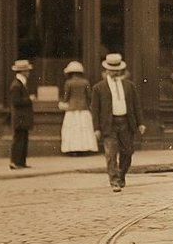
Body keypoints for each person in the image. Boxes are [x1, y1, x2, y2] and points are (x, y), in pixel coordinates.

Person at [91, 53, 146, 193]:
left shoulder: (129, 86)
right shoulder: (99, 88)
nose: (115, 72)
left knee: (127, 152)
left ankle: (121, 175)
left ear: (121, 70)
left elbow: (137, 106)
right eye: (112, 69)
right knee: (111, 153)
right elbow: (95, 109)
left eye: (117, 69)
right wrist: (96, 128)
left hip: (126, 123)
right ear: (106, 70)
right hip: (109, 124)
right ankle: (114, 180)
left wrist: (141, 123)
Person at [59, 61, 98, 155]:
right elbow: (89, 96)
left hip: (71, 109)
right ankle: (85, 149)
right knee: (84, 129)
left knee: (73, 130)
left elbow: (66, 97)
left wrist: (63, 102)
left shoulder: (68, 83)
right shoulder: (85, 82)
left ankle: (73, 150)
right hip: (84, 108)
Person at [9, 59, 35, 170]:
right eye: (27, 71)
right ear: (23, 72)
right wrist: (29, 99)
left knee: (23, 139)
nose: (29, 73)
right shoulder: (16, 85)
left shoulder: (20, 84)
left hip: (22, 118)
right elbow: (16, 102)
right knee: (19, 140)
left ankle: (21, 162)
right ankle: (15, 162)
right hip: (20, 117)